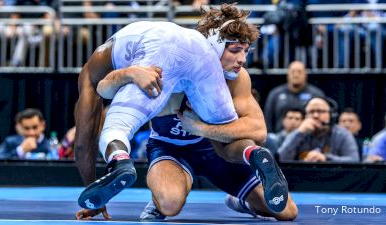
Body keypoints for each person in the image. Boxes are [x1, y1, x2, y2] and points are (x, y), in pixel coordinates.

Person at [75, 3, 295, 220]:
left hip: (214, 149)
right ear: (215, 46)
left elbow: (258, 129)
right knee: (170, 204)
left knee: (286, 211)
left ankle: (241, 200)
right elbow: (101, 95)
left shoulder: (237, 77)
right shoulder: (161, 65)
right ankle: (159, 200)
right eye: (235, 51)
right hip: (171, 149)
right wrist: (129, 73)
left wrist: (202, 129)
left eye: (245, 51)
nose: (242, 60)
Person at [278, 97, 360, 162]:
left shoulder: (342, 134)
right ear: (305, 116)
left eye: (320, 111)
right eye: (311, 112)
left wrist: (326, 158)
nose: (315, 115)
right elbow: (280, 159)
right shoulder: (298, 133)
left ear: (331, 115)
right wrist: (299, 133)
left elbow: (354, 160)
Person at [264, 61, 325, 133]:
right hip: (279, 139)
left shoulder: (316, 95)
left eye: (299, 72)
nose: (296, 75)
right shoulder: (275, 94)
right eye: (293, 72)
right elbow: (267, 119)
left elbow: (322, 119)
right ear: (288, 74)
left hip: (309, 138)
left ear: (305, 74)